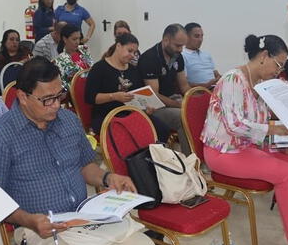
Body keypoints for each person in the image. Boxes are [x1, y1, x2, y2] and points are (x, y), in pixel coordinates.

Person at [0, 57, 157, 245]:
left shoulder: (68, 121)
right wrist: (27, 220)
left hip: (83, 216)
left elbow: (85, 166)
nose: (56, 105)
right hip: (37, 228)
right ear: (23, 97)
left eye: (59, 96)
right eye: (46, 99)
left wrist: (108, 178)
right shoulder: (0, 138)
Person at [201, 34, 288, 245]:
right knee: (286, 173)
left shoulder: (262, 83)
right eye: (278, 64)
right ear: (263, 56)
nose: (278, 71)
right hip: (224, 152)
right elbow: (236, 125)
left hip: (250, 146)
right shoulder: (233, 79)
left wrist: (283, 143)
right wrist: (274, 129)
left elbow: (262, 123)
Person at [85, 32, 169, 141]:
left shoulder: (133, 70)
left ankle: (152, 156)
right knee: (133, 134)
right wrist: (113, 96)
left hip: (131, 113)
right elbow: (90, 97)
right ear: (118, 46)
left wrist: (146, 108)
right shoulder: (99, 68)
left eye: (134, 52)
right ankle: (138, 156)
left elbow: (139, 95)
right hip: (106, 116)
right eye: (129, 51)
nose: (133, 55)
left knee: (162, 129)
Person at [137, 23, 191, 154]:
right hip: (153, 107)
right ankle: (190, 160)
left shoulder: (178, 56)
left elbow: (184, 86)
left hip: (172, 100)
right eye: (178, 45)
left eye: (183, 46)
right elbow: (154, 95)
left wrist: (192, 101)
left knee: (199, 112)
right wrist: (180, 105)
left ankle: (202, 157)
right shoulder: (149, 58)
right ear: (166, 40)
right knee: (182, 117)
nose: (181, 50)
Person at [53, 24, 93, 89]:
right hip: (76, 91)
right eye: (74, 39)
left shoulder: (84, 49)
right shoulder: (59, 60)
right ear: (65, 39)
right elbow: (64, 85)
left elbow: (92, 67)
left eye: (79, 38)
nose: (77, 42)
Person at [182, 22, 221, 88]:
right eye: (196, 36)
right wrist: (206, 85)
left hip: (215, 89)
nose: (200, 40)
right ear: (186, 37)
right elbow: (183, 84)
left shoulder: (206, 55)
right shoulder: (182, 56)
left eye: (202, 36)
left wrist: (220, 78)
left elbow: (216, 74)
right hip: (198, 92)